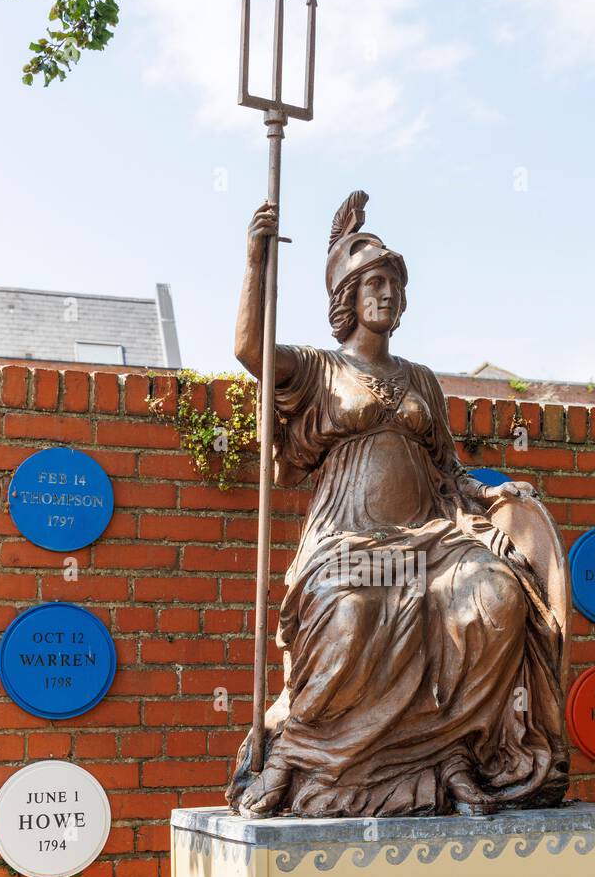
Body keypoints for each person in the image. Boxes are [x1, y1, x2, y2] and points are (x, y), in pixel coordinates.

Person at [229, 190, 569, 817]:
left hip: (431, 538)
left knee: (496, 595)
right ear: (348, 299)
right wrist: (256, 262)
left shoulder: (422, 380)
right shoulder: (315, 369)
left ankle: (453, 755)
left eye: (395, 285)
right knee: (352, 612)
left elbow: (448, 469)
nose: (387, 294)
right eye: (374, 283)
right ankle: (291, 756)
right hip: (347, 540)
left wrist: (493, 496)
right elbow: (251, 351)